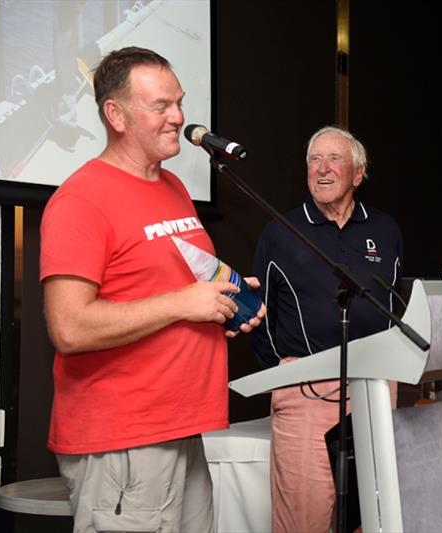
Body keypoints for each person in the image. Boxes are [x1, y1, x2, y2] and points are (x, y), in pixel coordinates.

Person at [40, 46, 265, 533]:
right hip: (124, 439)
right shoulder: (80, 201)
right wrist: (182, 303)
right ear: (115, 115)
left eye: (179, 102)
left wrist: (223, 298)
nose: (179, 117)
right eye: (161, 106)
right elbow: (69, 326)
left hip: (183, 426)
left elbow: (168, 285)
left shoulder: (172, 188)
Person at [251, 126, 403, 533]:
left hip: (375, 391)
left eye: (334, 159)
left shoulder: (385, 231)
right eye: (314, 160)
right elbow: (258, 309)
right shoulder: (280, 232)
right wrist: (280, 371)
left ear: (357, 173)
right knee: (307, 517)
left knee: (372, 517)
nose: (322, 169)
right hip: (307, 392)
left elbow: (394, 306)